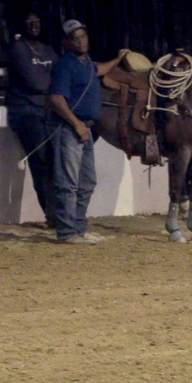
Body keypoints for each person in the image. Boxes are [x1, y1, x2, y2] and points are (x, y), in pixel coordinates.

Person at [48, 19, 127, 245]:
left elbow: (99, 70)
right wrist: (76, 124)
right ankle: (67, 232)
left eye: (83, 36)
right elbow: (57, 98)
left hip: (84, 128)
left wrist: (118, 60)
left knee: (87, 181)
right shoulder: (66, 64)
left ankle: (78, 228)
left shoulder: (85, 63)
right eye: (75, 38)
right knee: (69, 182)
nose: (81, 41)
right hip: (72, 128)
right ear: (67, 43)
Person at [6, 12, 58, 228]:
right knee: (42, 161)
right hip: (26, 111)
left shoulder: (48, 50)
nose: (33, 24)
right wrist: (57, 84)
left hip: (46, 111)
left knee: (54, 161)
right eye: (28, 20)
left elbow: (58, 75)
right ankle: (52, 216)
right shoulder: (18, 49)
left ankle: (58, 213)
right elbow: (36, 82)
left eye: (37, 20)